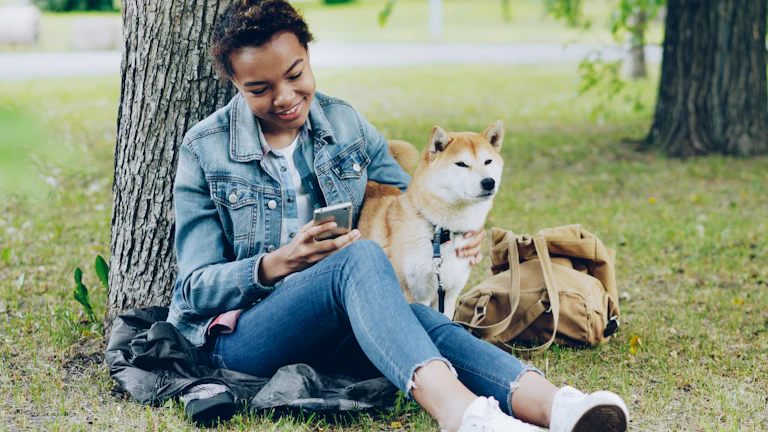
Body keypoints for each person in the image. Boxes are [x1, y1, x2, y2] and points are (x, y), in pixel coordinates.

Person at [167, 1, 630, 431]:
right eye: (259, 89)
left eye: (295, 74)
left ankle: (557, 405)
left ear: (308, 55)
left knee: (417, 318)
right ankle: (462, 414)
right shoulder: (205, 149)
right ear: (235, 84)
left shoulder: (343, 124)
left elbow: (421, 195)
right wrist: (280, 262)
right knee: (359, 257)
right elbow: (194, 288)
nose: (285, 97)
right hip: (244, 341)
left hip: (340, 325)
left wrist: (458, 229)